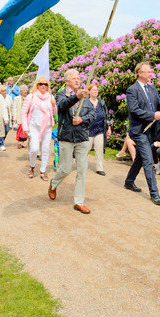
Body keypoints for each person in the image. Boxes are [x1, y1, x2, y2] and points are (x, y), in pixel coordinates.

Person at [48, 69, 96, 214]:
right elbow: (63, 105)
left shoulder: (85, 97)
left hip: (82, 137)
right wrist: (76, 96)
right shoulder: (61, 94)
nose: (77, 80)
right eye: (73, 78)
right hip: (66, 137)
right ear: (67, 81)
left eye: (78, 78)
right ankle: (53, 183)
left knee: (82, 170)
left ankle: (78, 202)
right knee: (65, 169)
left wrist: (82, 119)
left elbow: (93, 113)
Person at [124, 62, 160, 206]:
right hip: (139, 131)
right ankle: (155, 194)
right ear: (139, 73)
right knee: (148, 160)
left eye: (151, 71)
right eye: (148, 72)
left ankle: (129, 181)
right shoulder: (132, 90)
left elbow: (159, 104)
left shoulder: (152, 89)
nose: (151, 74)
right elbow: (135, 110)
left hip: (151, 130)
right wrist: (152, 115)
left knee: (140, 158)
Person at [21, 77, 57, 180]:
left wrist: (54, 105)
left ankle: (43, 171)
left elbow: (54, 113)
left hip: (48, 126)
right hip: (34, 126)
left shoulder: (50, 97)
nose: (43, 86)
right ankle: (32, 166)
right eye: (41, 84)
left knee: (45, 149)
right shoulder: (31, 97)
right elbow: (24, 112)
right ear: (37, 85)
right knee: (34, 149)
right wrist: (25, 128)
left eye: (45, 84)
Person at [87, 84, 111, 176]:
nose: (95, 91)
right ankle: (81, 165)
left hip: (100, 129)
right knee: (86, 149)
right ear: (89, 92)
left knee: (99, 148)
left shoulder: (102, 103)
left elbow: (106, 115)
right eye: (93, 90)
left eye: (96, 90)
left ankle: (99, 168)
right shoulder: (86, 102)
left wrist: (109, 127)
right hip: (88, 130)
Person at [0, 85, 13, 151]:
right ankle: (1, 144)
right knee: (1, 130)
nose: (5, 92)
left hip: (7, 115)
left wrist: (12, 115)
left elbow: (11, 106)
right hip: (0, 116)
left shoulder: (9, 97)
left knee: (7, 129)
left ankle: (2, 140)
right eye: (3, 91)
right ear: (0, 92)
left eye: (5, 90)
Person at [13, 84, 29, 148]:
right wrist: (14, 117)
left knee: (26, 130)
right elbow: (15, 108)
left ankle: (23, 143)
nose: (25, 91)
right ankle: (19, 142)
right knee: (20, 130)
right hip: (20, 116)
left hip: (27, 117)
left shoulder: (29, 98)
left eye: (26, 90)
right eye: (24, 90)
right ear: (21, 91)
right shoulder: (16, 98)